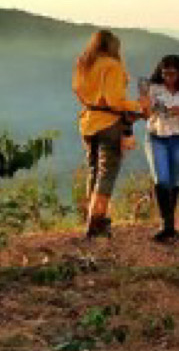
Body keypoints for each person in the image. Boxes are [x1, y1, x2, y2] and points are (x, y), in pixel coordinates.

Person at [71, 30, 149, 239]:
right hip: (108, 124)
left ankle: (93, 218)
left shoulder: (83, 63)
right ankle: (96, 222)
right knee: (107, 173)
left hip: (87, 122)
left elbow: (77, 90)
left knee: (94, 170)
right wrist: (138, 106)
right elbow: (114, 100)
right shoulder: (112, 65)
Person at [143, 54, 179, 243]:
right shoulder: (153, 88)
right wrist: (148, 106)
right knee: (162, 179)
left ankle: (169, 225)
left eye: (172, 74)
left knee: (173, 181)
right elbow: (145, 114)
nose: (169, 78)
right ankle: (166, 225)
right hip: (156, 137)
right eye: (165, 73)